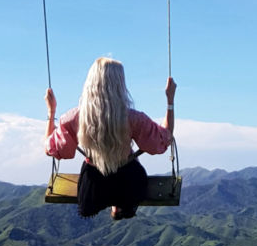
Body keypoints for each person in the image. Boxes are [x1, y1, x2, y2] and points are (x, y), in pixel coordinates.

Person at [44, 56, 176, 219]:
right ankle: (119, 204)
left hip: (94, 186)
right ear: (120, 84)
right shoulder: (133, 118)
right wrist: (170, 101)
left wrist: (51, 112)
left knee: (99, 176)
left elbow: (53, 149)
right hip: (129, 183)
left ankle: (114, 203)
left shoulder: (74, 118)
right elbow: (162, 141)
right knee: (129, 165)